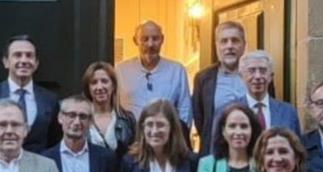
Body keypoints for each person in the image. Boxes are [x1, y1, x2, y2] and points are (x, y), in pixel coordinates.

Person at [0, 35, 61, 152]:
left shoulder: (49, 99)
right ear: (6, 62)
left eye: (29, 56)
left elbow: (54, 141)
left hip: (38, 166)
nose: (24, 60)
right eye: (17, 55)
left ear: (36, 63)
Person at [210, 51, 300, 147]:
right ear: (241, 77)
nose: (257, 76)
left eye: (263, 71)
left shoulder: (289, 112)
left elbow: (298, 152)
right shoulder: (225, 112)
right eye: (251, 71)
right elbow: (217, 152)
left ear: (270, 77)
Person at [116, 21, 192, 130]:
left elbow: (185, 110)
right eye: (145, 39)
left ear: (162, 40)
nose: (150, 44)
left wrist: (178, 138)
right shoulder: (120, 70)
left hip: (166, 140)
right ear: (135, 41)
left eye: (155, 39)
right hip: (130, 141)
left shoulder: (177, 71)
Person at [192, 21, 247, 155]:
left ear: (244, 45)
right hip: (215, 154)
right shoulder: (203, 79)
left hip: (251, 156)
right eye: (224, 41)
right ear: (217, 45)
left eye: (235, 41)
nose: (229, 46)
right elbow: (201, 122)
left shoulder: (257, 75)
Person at [82, 61, 137, 162]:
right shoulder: (80, 119)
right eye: (94, 82)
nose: (99, 87)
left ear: (113, 85)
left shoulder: (127, 119)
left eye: (104, 81)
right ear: (88, 88)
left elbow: (135, 156)